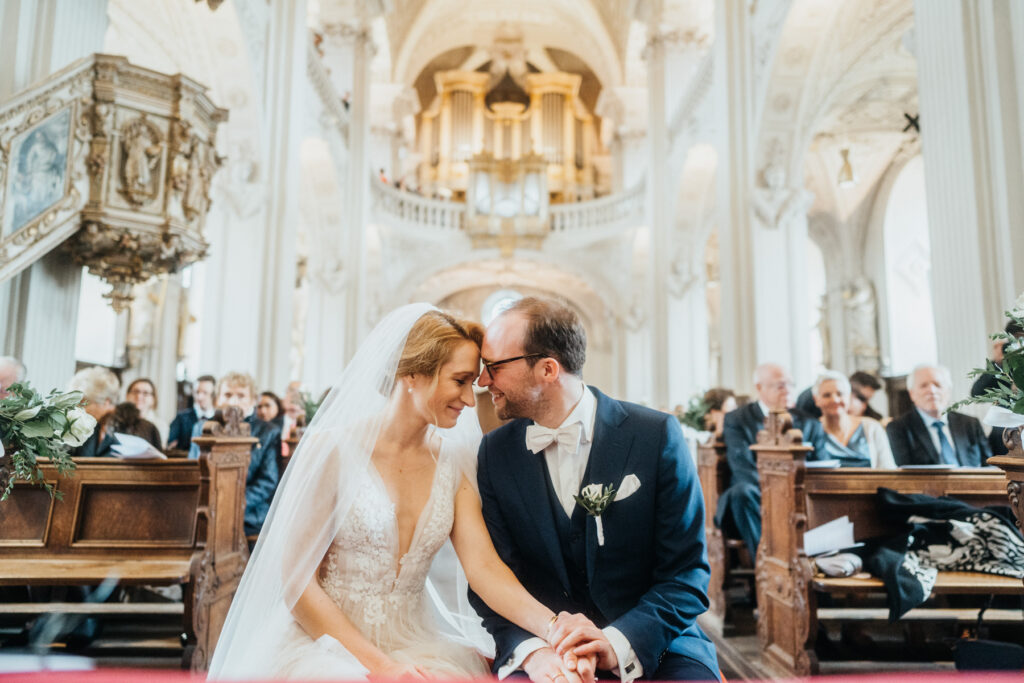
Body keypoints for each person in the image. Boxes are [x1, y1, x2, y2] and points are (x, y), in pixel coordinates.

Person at [208, 305, 597, 681]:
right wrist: (381, 668)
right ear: (413, 374)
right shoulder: (332, 450)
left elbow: (484, 570)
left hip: (415, 644)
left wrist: (555, 629)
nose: (469, 398)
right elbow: (297, 584)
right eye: (459, 380)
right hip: (324, 645)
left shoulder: (455, 460)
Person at [472, 297, 720, 682]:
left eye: (494, 367)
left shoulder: (654, 436)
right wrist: (538, 653)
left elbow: (686, 575)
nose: (483, 381)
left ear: (548, 369)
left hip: (657, 644)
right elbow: (494, 582)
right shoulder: (496, 453)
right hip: (545, 647)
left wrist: (615, 643)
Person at [715, 363, 828, 559]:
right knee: (742, 492)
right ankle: (766, 562)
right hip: (754, 497)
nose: (788, 390)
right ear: (760, 387)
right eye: (780, 385)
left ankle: (813, 562)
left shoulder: (810, 422)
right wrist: (778, 495)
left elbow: (823, 467)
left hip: (798, 495)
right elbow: (742, 467)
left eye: (791, 385)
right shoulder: (737, 419)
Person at [212, 372, 282, 536]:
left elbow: (267, 481)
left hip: (249, 512)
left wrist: (234, 504)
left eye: (241, 395)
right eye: (227, 395)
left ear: (252, 400)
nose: (233, 401)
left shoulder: (268, 431)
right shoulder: (202, 427)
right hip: (210, 508)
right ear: (218, 399)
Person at [886, 364, 992, 467]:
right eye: (923, 386)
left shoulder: (971, 424)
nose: (932, 391)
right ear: (912, 394)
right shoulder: (898, 428)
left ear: (948, 391)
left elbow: (989, 466)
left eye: (938, 385)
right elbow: (905, 472)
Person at [812, 371, 894, 468]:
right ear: (816, 400)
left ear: (849, 396)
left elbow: (888, 469)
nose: (835, 400)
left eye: (840, 394)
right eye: (827, 395)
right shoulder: (811, 431)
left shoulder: (872, 427)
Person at [971, 320, 1024, 455]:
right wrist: (997, 363)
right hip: (1006, 435)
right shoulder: (1004, 366)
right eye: (1016, 340)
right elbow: (976, 393)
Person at [68, 367, 121, 458]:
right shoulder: (88, 426)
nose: (78, 410)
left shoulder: (130, 429)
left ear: (106, 401)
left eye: (84, 404)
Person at [167, 375, 217, 453]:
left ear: (214, 395)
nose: (199, 397)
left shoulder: (219, 419)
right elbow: (171, 445)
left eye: (205, 393)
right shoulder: (181, 418)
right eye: (197, 392)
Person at [125, 378, 167, 448]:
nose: (139, 396)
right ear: (127, 396)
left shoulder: (160, 425)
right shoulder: (117, 421)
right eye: (135, 392)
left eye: (145, 393)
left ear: (153, 399)